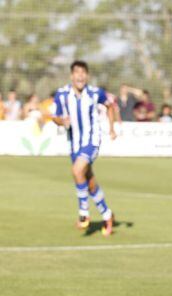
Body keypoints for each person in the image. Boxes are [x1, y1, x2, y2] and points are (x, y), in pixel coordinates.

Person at [51, 60, 117, 235]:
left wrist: (111, 128)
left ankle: (83, 214)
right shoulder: (62, 94)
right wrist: (62, 121)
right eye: (77, 72)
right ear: (72, 75)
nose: (80, 76)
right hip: (74, 144)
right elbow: (54, 116)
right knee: (89, 182)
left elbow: (110, 106)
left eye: (83, 72)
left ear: (87, 76)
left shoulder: (96, 93)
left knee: (77, 170)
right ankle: (107, 215)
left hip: (91, 141)